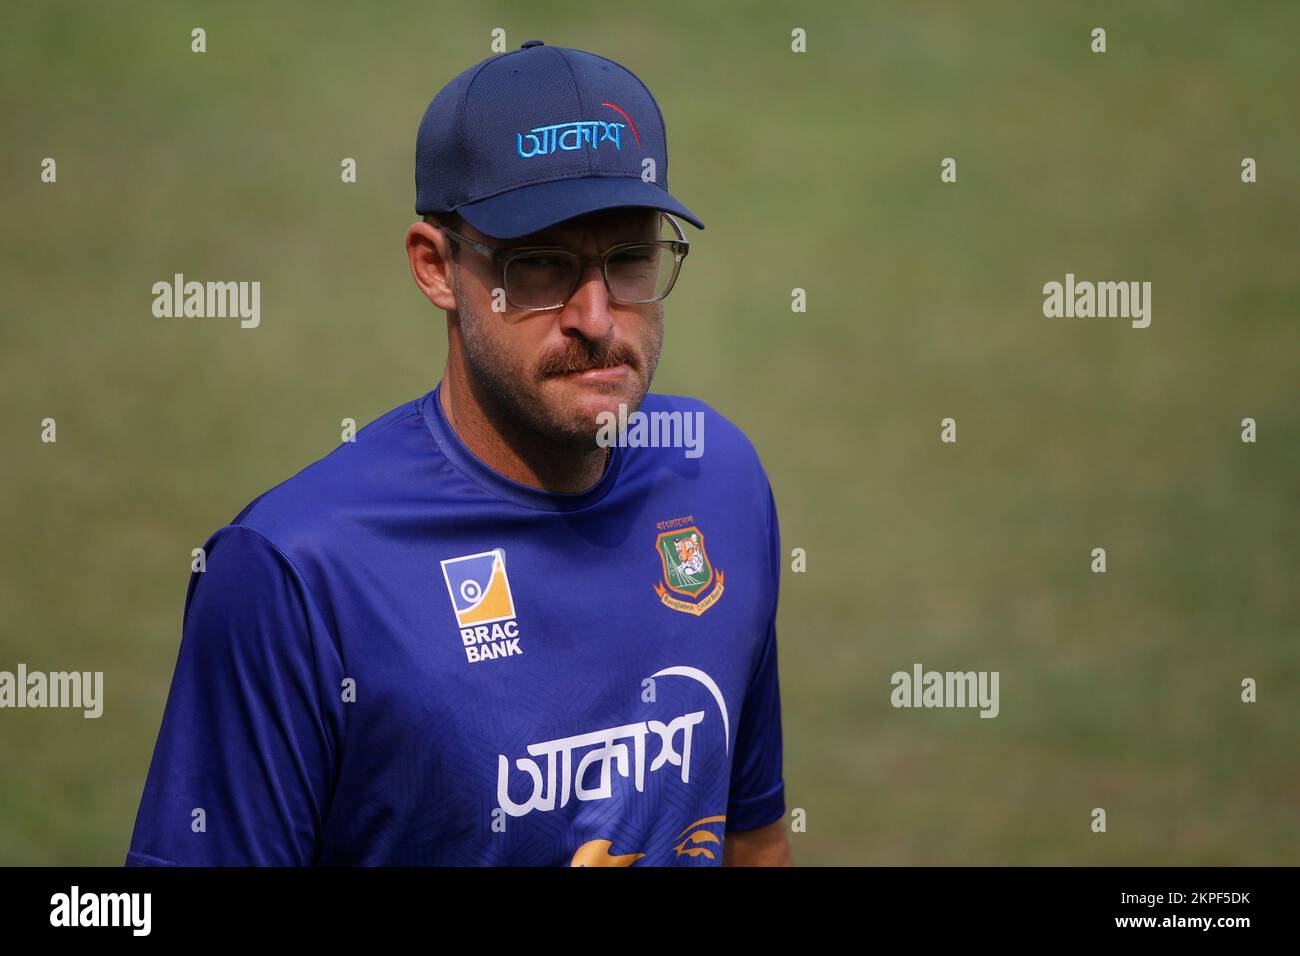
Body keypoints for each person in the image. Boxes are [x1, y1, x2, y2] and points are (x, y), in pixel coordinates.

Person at [126, 40, 790, 866]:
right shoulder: (294, 573)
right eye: (541, 265)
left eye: (629, 259)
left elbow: (752, 840)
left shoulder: (718, 480)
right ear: (435, 267)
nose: (598, 316)